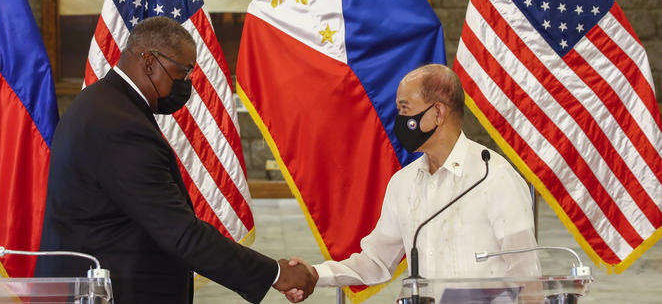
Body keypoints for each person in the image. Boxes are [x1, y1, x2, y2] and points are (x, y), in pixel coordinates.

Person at [35, 17, 315, 304]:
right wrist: (276, 273)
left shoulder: (103, 103)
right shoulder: (119, 126)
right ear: (149, 62)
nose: (186, 84)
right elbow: (179, 233)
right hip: (110, 292)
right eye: (181, 72)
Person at [285, 64, 540, 302]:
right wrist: (316, 274)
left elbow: (527, 278)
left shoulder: (494, 177)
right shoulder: (403, 182)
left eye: (405, 109)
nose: (399, 119)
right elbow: (376, 261)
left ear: (438, 112)